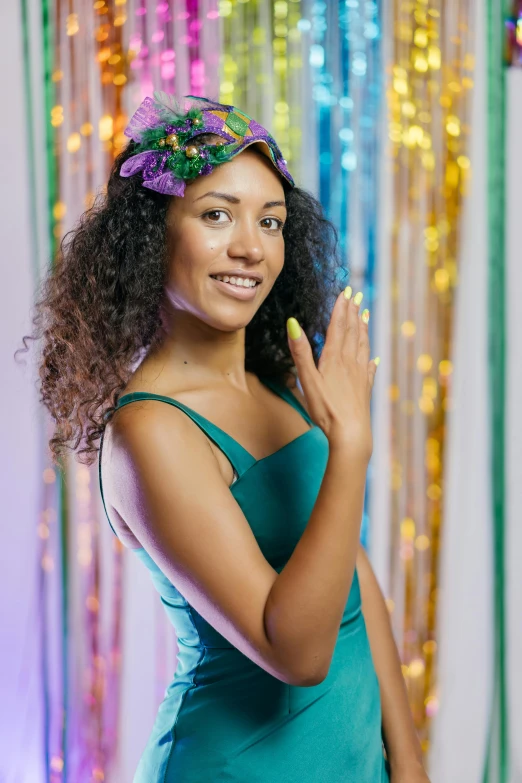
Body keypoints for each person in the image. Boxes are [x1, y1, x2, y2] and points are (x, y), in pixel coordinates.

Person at [22, 93, 430, 782]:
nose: (250, 246)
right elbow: (295, 650)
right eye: (217, 214)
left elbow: (350, 574)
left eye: (270, 222)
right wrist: (351, 449)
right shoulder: (149, 431)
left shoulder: (276, 379)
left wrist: (411, 763)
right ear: (155, 235)